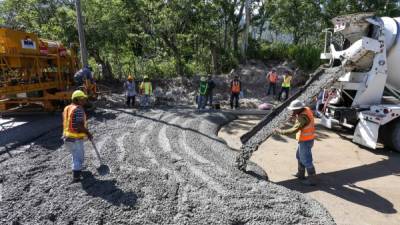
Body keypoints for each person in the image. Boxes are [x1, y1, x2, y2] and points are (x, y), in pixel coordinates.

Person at [274, 100, 317, 186]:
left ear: (299, 108)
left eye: (294, 110)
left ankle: (312, 180)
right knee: (299, 156)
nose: (293, 111)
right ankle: (300, 174)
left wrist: (280, 131)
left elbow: (294, 129)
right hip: (305, 139)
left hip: (306, 140)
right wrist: (295, 115)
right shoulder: (306, 109)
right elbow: (300, 117)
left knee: (306, 160)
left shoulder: (303, 117)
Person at [63, 90, 93, 183]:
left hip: (66, 137)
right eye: (83, 99)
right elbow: (79, 126)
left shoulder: (68, 108)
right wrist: (88, 133)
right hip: (75, 138)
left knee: (74, 155)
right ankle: (76, 176)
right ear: (77, 99)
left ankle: (77, 170)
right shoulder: (78, 109)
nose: (84, 101)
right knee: (79, 157)